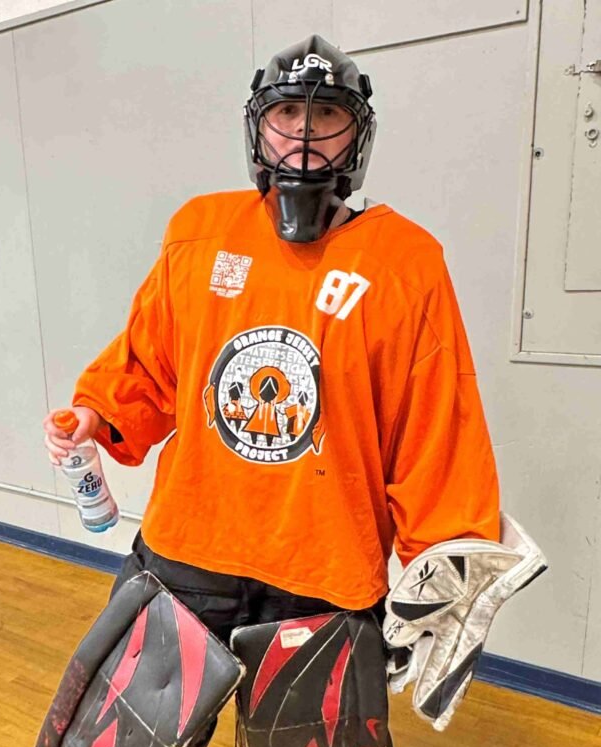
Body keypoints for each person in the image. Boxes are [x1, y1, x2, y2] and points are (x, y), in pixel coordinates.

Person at [42, 34, 501, 646]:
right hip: (188, 551)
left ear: (356, 134)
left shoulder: (406, 263)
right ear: (260, 129)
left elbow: (437, 428)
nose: (305, 135)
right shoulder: (199, 233)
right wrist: (95, 412)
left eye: (327, 115)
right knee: (110, 740)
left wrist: (448, 573)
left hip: (324, 575)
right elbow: (151, 360)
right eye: (287, 113)